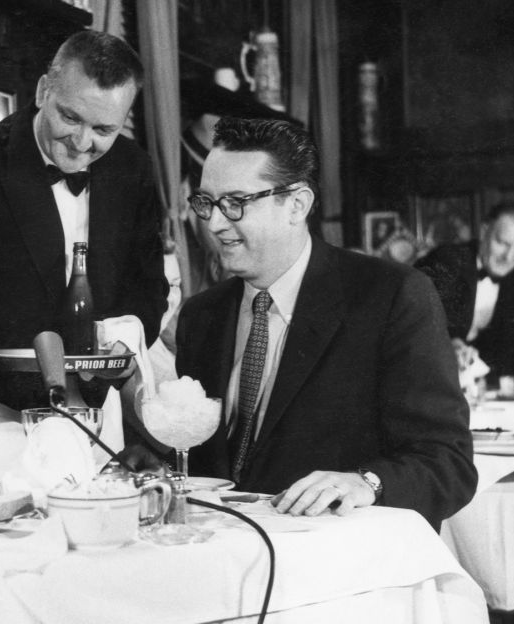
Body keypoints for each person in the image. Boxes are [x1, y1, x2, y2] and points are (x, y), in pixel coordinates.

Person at [138, 117, 475, 530]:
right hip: (227, 565)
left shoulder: (390, 296)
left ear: (297, 204)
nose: (215, 224)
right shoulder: (200, 316)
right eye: (207, 202)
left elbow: (448, 462)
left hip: (339, 571)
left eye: (235, 203)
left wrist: (366, 483)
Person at [0, 30, 167, 408]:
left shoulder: (132, 167)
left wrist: (129, 336)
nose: (83, 142)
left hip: (97, 406)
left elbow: (149, 285)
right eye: (70, 117)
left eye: (104, 129)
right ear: (43, 92)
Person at [415, 205, 514, 382]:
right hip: (430, 378)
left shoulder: (513, 281)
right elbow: (424, 322)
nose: (509, 257)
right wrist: (454, 346)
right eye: (502, 243)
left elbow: (512, 348)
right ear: (484, 231)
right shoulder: (447, 260)